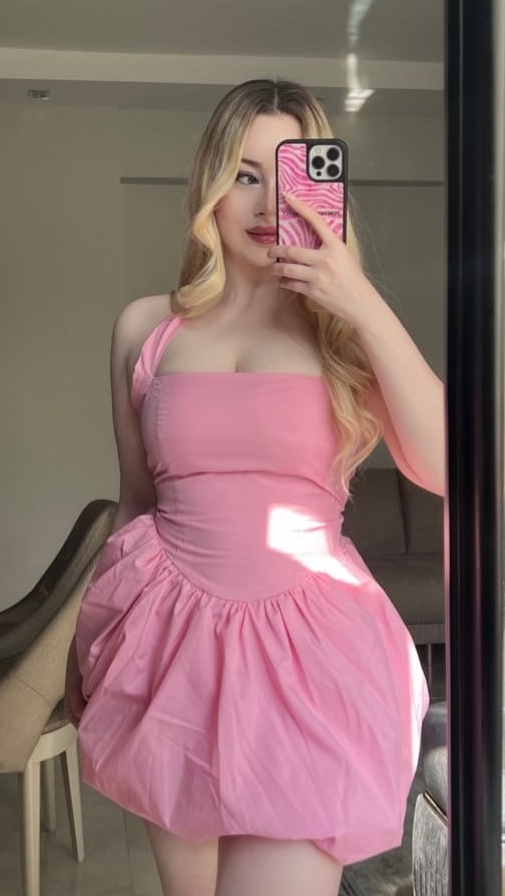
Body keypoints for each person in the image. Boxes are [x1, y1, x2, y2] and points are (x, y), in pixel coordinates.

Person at [64, 78, 444, 896]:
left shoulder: (342, 335)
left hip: (308, 657)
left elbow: (447, 464)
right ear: (210, 185)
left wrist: (360, 299)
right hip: (170, 649)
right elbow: (135, 502)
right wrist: (86, 640)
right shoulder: (146, 327)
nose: (270, 201)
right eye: (244, 174)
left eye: (291, 173)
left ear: (324, 187)